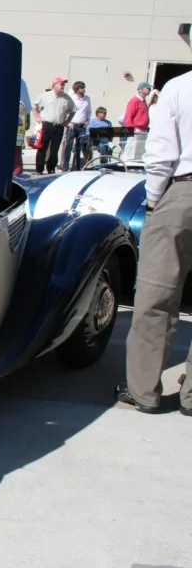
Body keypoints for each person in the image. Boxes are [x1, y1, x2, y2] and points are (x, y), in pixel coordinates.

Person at [119, 70, 192, 417]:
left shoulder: (179, 87)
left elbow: (161, 150)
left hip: (184, 191)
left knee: (157, 292)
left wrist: (153, 200)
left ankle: (144, 390)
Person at [31, 77, 76, 174]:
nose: (63, 86)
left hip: (58, 127)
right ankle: (39, 169)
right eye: (61, 84)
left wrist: (68, 121)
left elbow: (73, 110)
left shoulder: (66, 98)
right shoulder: (45, 96)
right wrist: (37, 117)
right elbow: (34, 106)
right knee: (42, 148)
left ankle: (51, 169)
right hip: (46, 125)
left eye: (63, 84)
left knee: (54, 149)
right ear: (54, 85)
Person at [63, 81, 91, 171]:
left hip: (82, 126)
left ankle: (76, 166)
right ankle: (65, 166)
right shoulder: (72, 98)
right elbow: (66, 110)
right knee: (69, 146)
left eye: (84, 87)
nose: (84, 89)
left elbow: (89, 111)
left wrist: (88, 120)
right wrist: (69, 122)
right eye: (82, 88)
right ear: (77, 89)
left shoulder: (87, 99)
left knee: (79, 147)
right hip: (72, 125)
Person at [122, 82, 153, 161]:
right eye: (147, 88)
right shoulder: (135, 100)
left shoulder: (143, 101)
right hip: (136, 129)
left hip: (143, 129)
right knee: (131, 150)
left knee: (139, 150)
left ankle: (136, 164)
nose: (149, 90)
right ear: (140, 89)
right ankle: (126, 163)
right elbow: (128, 116)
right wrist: (130, 129)